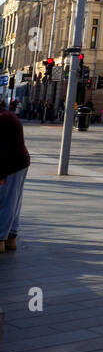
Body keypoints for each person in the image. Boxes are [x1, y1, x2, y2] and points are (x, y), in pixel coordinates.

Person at [0, 101, 30, 254]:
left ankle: (1, 239)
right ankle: (11, 237)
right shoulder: (7, 116)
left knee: (6, 201)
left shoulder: (3, 119)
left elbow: (4, 149)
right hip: (19, 162)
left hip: (11, 164)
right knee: (13, 200)